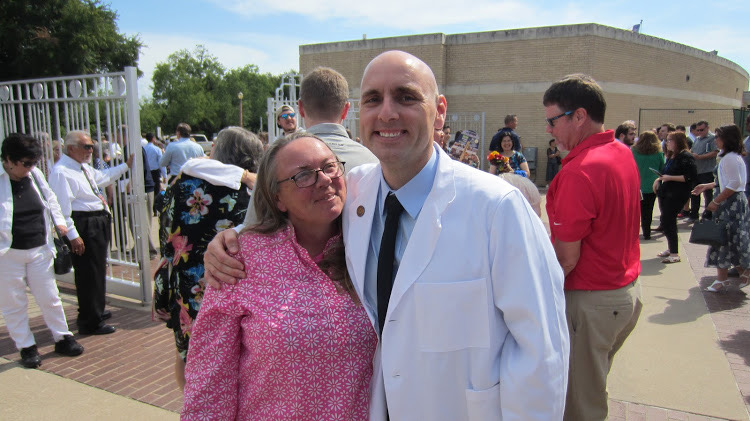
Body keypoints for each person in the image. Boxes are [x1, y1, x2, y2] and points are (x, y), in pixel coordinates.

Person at [204, 50, 568, 421]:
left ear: (439, 110)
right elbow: (295, 215)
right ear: (358, 113)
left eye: (406, 97)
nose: (387, 113)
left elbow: (542, 354)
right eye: (373, 99)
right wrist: (231, 240)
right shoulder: (355, 192)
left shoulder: (498, 209)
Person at [181, 133, 376, 419]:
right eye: (304, 176)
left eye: (329, 166)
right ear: (277, 198)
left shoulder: (370, 246)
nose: (323, 179)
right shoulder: (240, 258)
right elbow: (210, 382)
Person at [544, 73, 642, 421]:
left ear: (579, 116)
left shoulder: (578, 172)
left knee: (578, 405)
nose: (549, 130)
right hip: (624, 293)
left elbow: (565, 259)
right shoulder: (620, 152)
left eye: (552, 120)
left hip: (591, 301)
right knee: (593, 387)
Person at [153, 127, 262, 389]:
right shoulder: (249, 193)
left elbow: (165, 236)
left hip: (185, 287)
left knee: (188, 355)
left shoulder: (179, 183)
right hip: (230, 289)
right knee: (230, 364)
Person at [0, 133, 84, 369]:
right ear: (8, 159)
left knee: (50, 296)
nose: (30, 168)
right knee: (13, 302)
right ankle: (26, 346)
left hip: (39, 248)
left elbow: (51, 199)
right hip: (7, 253)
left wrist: (60, 222)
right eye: (25, 163)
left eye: (33, 163)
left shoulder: (35, 175)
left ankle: (62, 337)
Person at [48, 131, 134, 335]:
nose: (91, 151)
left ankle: (96, 309)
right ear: (71, 148)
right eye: (86, 146)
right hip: (84, 224)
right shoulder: (62, 172)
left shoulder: (83, 168)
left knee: (96, 270)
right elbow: (61, 208)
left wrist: (125, 166)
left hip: (97, 220)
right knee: (88, 273)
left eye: (91, 146)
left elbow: (102, 178)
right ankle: (89, 321)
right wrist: (73, 235)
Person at [692, 125, 750, 292]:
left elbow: (735, 183)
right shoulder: (729, 157)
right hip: (730, 203)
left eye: (718, 137)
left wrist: (716, 201)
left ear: (727, 139)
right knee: (724, 240)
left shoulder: (730, 158)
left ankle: (733, 275)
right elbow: (727, 181)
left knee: (726, 240)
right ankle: (726, 277)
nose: (715, 139)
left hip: (730, 205)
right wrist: (707, 186)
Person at [652, 131, 696, 263]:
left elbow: (689, 177)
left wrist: (668, 178)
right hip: (667, 192)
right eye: (667, 140)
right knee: (666, 221)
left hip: (677, 194)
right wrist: (658, 180)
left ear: (678, 141)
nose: (667, 143)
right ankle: (671, 248)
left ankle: (674, 253)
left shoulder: (686, 157)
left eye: (670, 140)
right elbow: (665, 172)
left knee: (669, 220)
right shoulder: (672, 156)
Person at [632, 131, 665, 240]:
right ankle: (647, 232)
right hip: (652, 185)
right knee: (648, 210)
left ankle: (634, 232)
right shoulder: (658, 152)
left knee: (636, 210)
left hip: (637, 185)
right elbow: (662, 167)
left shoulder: (634, 151)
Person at [689, 120, 718, 221]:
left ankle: (708, 214)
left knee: (708, 195)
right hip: (697, 170)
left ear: (707, 128)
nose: (700, 132)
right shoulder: (697, 139)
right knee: (694, 193)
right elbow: (692, 151)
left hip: (707, 170)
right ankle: (694, 214)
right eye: (698, 130)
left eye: (702, 130)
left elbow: (715, 152)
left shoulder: (712, 138)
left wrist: (700, 157)